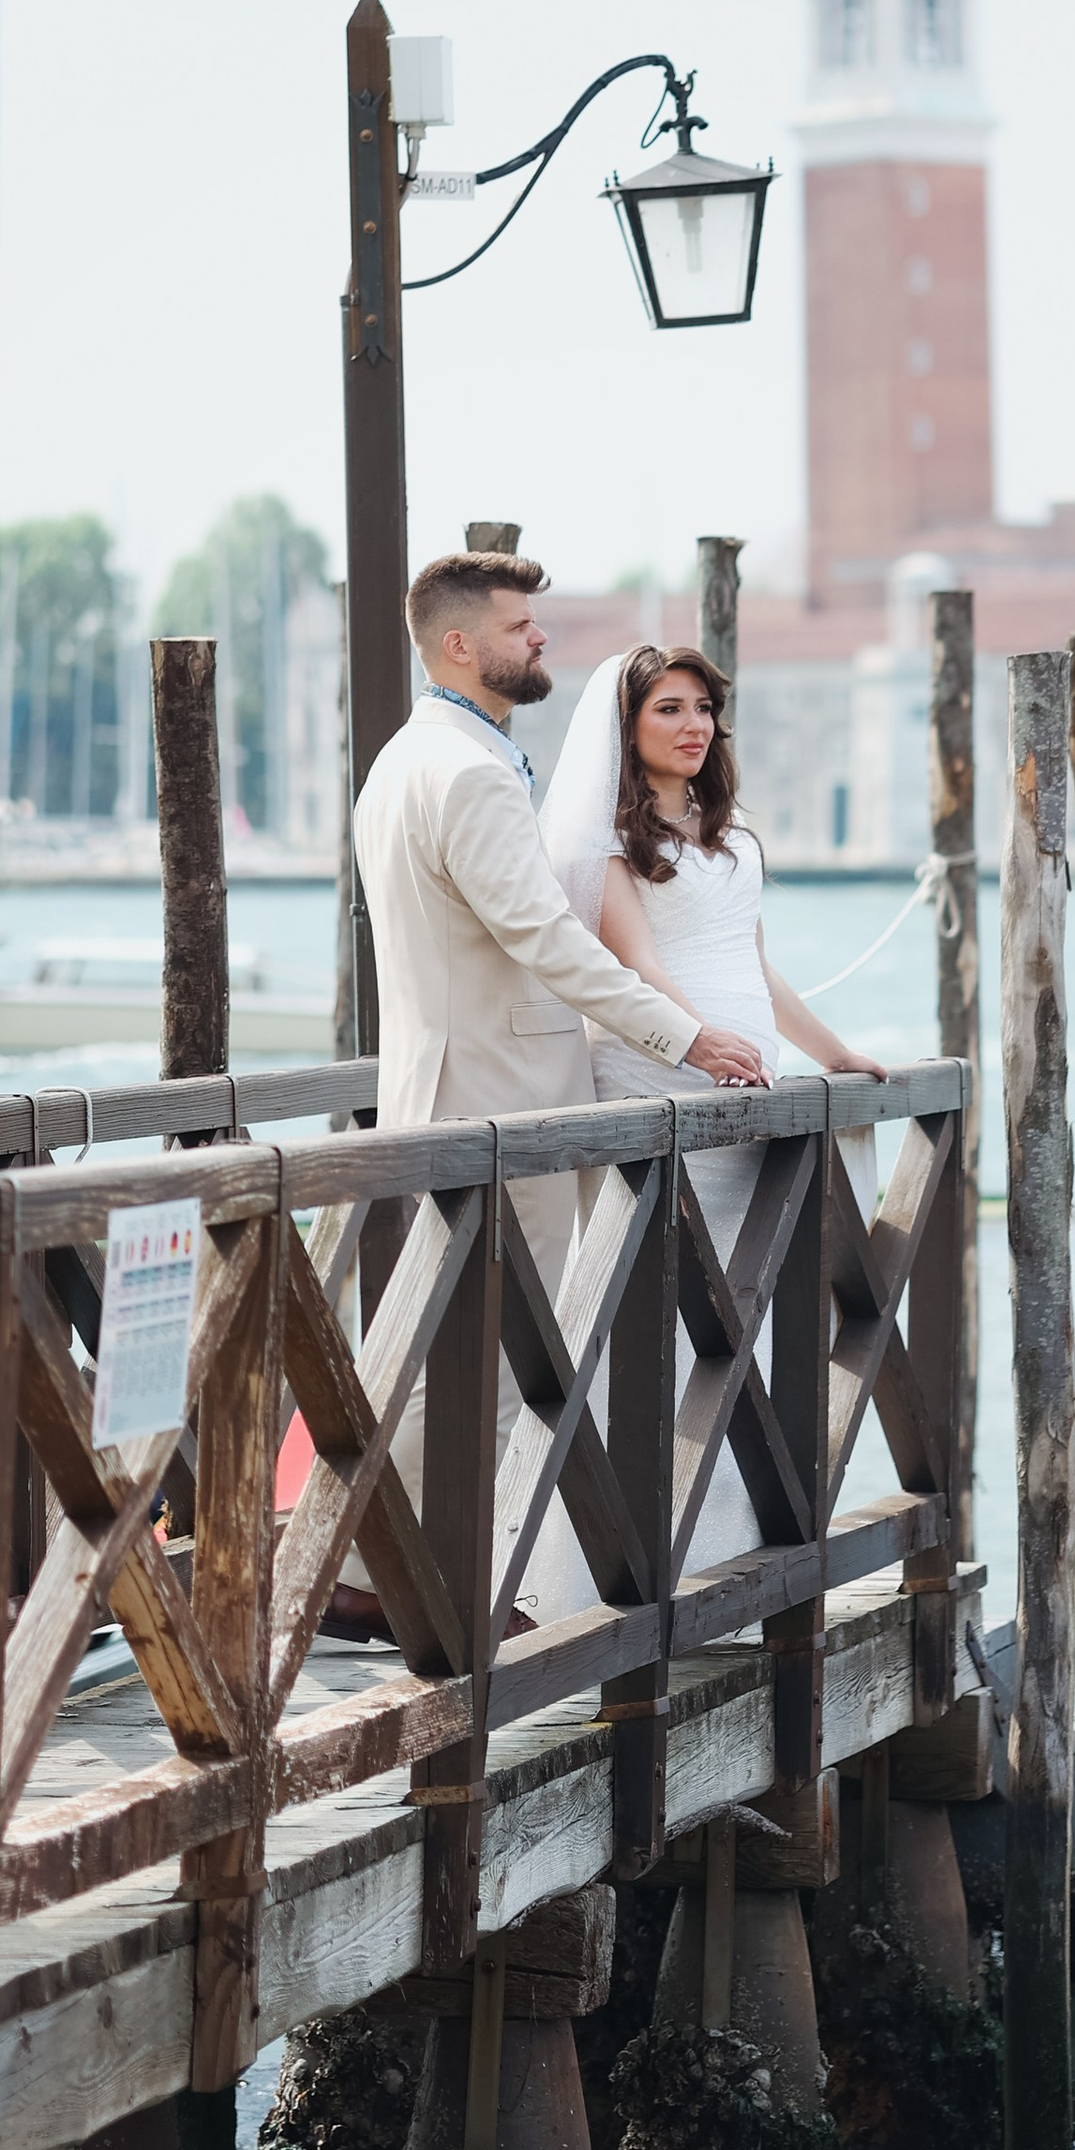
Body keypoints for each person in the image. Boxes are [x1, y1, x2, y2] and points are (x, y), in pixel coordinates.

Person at [343, 560, 769, 1623]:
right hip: (502, 1092)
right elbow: (544, 941)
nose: (539, 642)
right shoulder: (474, 775)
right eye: (520, 628)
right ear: (457, 647)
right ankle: (459, 1594)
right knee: (508, 1351)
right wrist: (686, 1036)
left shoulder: (402, 760)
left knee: (456, 1342)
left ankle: (379, 1575)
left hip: (438, 1082)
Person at [508, 640, 885, 1618]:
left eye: (703, 708)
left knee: (736, 1320)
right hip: (662, 1070)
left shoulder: (732, 833)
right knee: (655, 1308)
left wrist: (831, 1051)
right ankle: (584, 1568)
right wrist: (700, 1046)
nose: (692, 726)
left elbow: (752, 963)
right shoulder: (609, 843)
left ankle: (723, 1551)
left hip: (748, 1080)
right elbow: (636, 970)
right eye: (667, 709)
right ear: (627, 729)